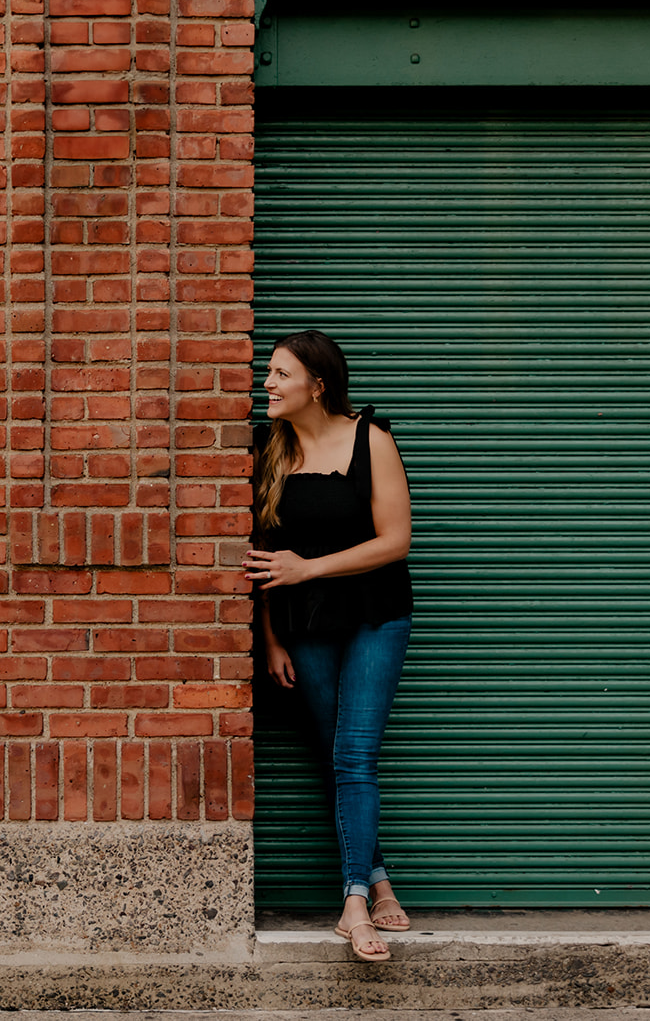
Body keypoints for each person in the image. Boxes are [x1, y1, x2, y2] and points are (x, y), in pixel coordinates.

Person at [243, 330, 414, 964]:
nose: (268, 384)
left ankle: (353, 903)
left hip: (374, 615)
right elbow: (263, 558)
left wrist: (309, 569)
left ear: (318, 384)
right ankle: (379, 876)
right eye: (269, 373)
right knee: (336, 756)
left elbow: (395, 541)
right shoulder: (269, 450)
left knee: (354, 754)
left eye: (281, 374)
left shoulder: (372, 439)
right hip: (302, 627)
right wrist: (270, 637)